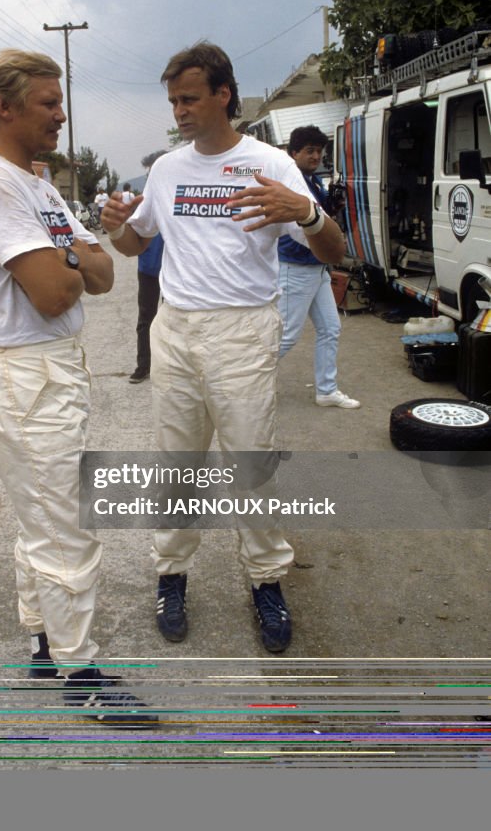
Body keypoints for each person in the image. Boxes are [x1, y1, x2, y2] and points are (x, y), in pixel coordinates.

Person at [101, 41, 345, 654]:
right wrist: (117, 228)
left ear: (222, 95)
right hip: (177, 329)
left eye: (189, 98)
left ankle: (265, 580)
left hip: (242, 331)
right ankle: (172, 574)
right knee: (177, 462)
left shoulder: (270, 165)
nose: (179, 110)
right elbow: (136, 247)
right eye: (173, 101)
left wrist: (308, 216)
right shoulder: (167, 169)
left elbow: (334, 253)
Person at [0, 49, 156, 723]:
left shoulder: (35, 184)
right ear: (3, 107)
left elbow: (103, 275)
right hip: (27, 372)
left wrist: (69, 255)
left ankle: (42, 638)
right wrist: (71, 256)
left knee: (40, 517)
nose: (61, 116)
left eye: (58, 102)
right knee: (65, 527)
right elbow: (52, 291)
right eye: (47, 103)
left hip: (50, 370)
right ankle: (79, 672)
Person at [278, 126, 360, 409]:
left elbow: (318, 220)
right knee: (285, 336)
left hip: (317, 268)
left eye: (319, 151)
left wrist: (330, 205)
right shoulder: (291, 183)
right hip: (296, 266)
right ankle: (239, 383)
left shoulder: (312, 182)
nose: (316, 156)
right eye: (309, 151)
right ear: (294, 153)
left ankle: (326, 390)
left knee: (330, 328)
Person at [129, 232, 163, 384]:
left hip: (175, 270)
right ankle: (144, 365)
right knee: (146, 318)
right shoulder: (145, 208)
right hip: (148, 269)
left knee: (176, 319)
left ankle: (173, 365)